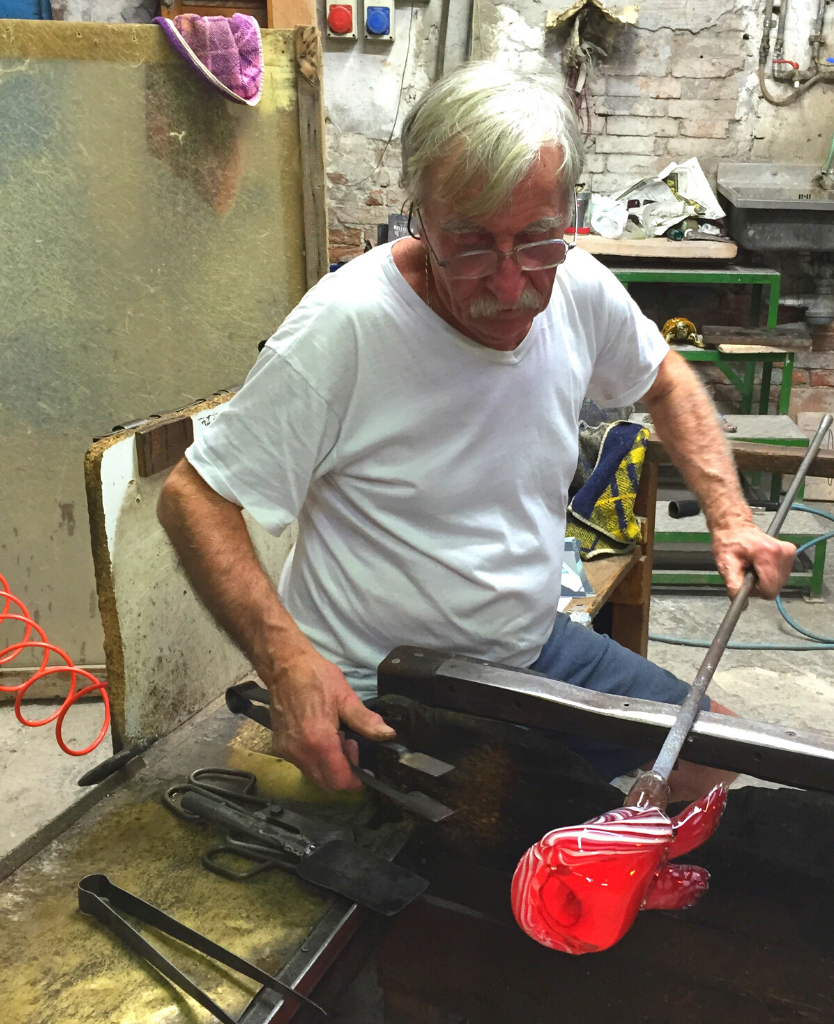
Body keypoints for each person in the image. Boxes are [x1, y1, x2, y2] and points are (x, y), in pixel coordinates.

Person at [157, 63, 796, 800]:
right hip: (377, 689)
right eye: (469, 244)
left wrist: (732, 517)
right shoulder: (347, 327)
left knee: (729, 758)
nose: (508, 281)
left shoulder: (580, 288)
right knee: (460, 870)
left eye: (536, 240)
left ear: (569, 214)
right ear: (420, 219)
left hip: (531, 650)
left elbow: (665, 378)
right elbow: (195, 497)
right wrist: (289, 666)